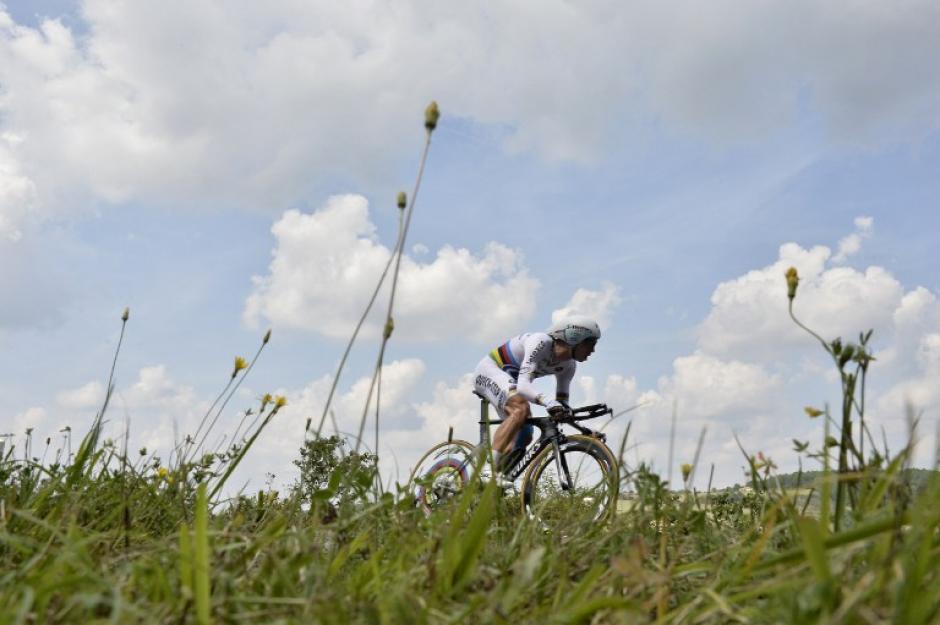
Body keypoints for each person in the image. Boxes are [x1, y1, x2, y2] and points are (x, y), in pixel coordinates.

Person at [472, 315, 601, 475]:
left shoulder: (569, 366)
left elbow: (562, 407)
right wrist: (548, 402)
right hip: (491, 370)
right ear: (575, 338)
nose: (593, 350)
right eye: (590, 344)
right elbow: (523, 387)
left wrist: (585, 430)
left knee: (525, 436)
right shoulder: (541, 342)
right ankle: (486, 471)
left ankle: (493, 482)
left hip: (510, 380)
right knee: (520, 409)